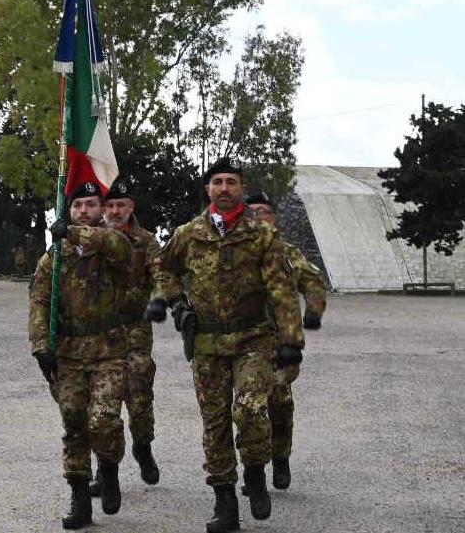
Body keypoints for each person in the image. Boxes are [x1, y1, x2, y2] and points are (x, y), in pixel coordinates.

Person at [151, 158, 304, 532]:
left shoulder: (261, 234)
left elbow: (282, 290)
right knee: (214, 423)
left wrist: (290, 341)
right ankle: (224, 501)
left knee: (251, 410)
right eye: (217, 182)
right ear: (207, 189)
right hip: (206, 341)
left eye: (231, 182)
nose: (223, 188)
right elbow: (163, 266)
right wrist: (175, 301)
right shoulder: (190, 233)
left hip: (253, 338)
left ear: (241, 187)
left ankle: (254, 470)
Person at [29, 181, 133, 529]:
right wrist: (41, 345)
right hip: (68, 354)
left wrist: (73, 233)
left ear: (102, 210)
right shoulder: (53, 258)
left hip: (108, 350)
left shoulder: (111, 245)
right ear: (68, 210)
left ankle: (108, 468)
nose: (84, 211)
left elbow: (119, 247)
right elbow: (40, 302)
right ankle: (78, 496)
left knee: (103, 419)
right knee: (74, 423)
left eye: (91, 205)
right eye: (77, 206)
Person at [245, 192, 328, 490]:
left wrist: (314, 312)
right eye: (251, 211)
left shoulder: (287, 252)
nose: (256, 217)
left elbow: (313, 282)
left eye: (263, 212)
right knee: (249, 405)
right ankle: (253, 467)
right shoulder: (237, 254)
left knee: (278, 401)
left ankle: (280, 457)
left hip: (282, 344)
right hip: (247, 343)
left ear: (273, 218)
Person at [93, 179, 161, 493]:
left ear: (131, 207)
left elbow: (161, 273)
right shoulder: (90, 239)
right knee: (100, 404)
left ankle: (143, 446)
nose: (115, 211)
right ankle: (105, 470)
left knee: (139, 397)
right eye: (110, 205)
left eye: (121, 205)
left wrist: (160, 298)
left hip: (134, 330)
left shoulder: (146, 241)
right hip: (98, 333)